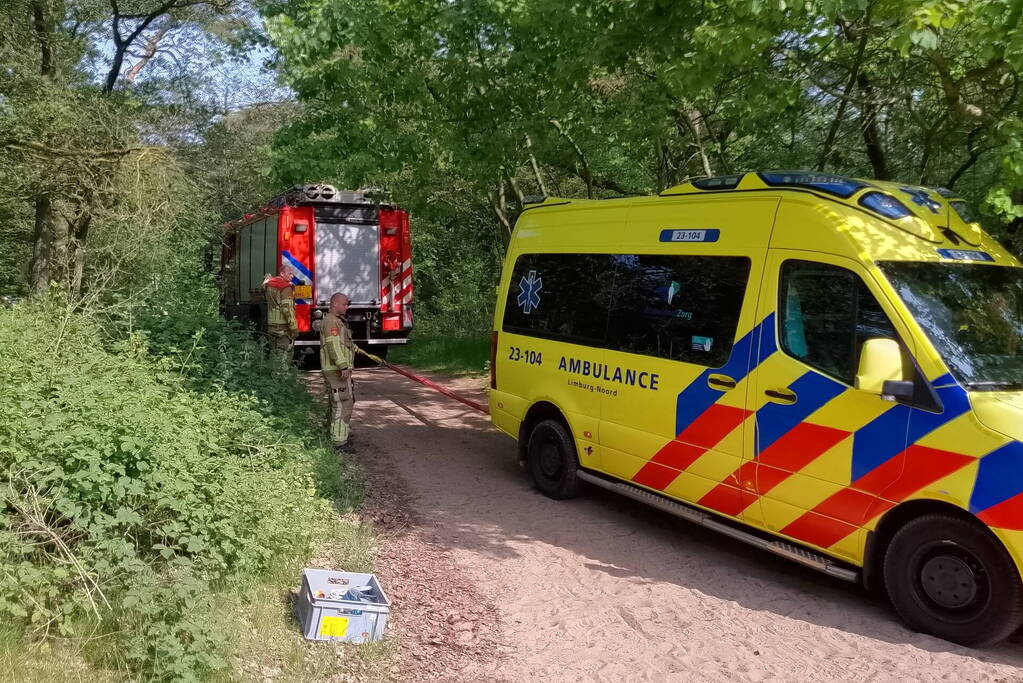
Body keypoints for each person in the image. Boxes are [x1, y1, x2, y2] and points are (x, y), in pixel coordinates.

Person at [320, 293, 356, 452]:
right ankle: (339, 442)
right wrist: (343, 366)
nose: (346, 307)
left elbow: (341, 344)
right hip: (336, 370)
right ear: (334, 303)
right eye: (344, 304)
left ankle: (335, 434)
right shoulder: (331, 322)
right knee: (343, 403)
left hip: (336, 369)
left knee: (337, 402)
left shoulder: (336, 321)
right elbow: (333, 346)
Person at [264, 265, 299, 360]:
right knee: (284, 354)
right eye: (289, 273)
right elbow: (287, 310)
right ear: (282, 273)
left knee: (273, 353)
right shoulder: (285, 288)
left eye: (292, 274)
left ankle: (274, 374)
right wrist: (294, 328)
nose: (292, 276)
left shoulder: (269, 284)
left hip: (271, 325)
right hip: (283, 328)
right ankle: (283, 374)